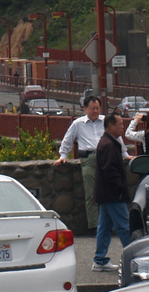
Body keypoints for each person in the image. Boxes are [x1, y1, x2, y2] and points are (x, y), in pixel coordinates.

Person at [56, 94, 105, 232]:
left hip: (106, 158)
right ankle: (95, 226)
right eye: (92, 108)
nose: (95, 111)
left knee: (108, 193)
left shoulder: (105, 121)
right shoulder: (78, 124)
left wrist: (124, 154)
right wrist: (63, 155)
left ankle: (108, 224)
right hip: (88, 159)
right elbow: (68, 139)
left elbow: (116, 138)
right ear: (85, 109)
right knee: (91, 194)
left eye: (97, 108)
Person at [92, 113, 132, 273]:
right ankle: (133, 258)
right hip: (113, 194)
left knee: (105, 227)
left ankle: (100, 260)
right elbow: (110, 170)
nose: (123, 126)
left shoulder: (107, 142)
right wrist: (121, 187)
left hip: (105, 193)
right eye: (120, 124)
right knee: (124, 226)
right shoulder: (109, 144)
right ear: (110, 126)